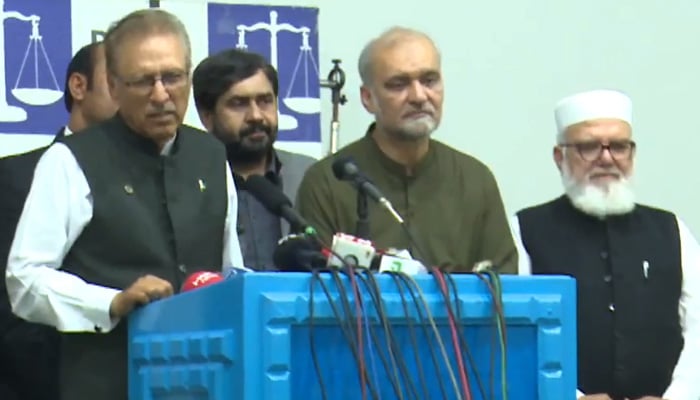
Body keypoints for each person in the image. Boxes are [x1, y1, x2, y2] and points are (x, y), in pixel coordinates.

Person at [5, 9, 244, 400]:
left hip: (203, 381)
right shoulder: (70, 160)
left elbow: (230, 271)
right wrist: (110, 302)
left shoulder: (212, 156)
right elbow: (25, 279)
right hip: (108, 381)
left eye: (172, 77)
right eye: (143, 81)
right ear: (114, 87)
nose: (161, 95)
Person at [511, 89, 700, 400]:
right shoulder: (526, 231)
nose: (607, 158)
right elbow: (515, 332)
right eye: (588, 147)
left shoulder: (671, 229)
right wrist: (569, 396)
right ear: (560, 157)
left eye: (619, 147)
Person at [295, 26, 516, 272]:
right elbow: (317, 291)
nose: (419, 96)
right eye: (399, 85)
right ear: (368, 98)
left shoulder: (475, 180)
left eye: (429, 80)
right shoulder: (328, 182)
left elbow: (504, 288)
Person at [0, 40, 117, 400]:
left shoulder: (161, 178)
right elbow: (10, 305)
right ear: (79, 86)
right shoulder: (13, 176)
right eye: (117, 79)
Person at [192, 48, 316, 270]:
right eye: (239, 103)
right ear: (207, 116)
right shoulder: (189, 183)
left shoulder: (310, 176)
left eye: (265, 101)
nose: (256, 116)